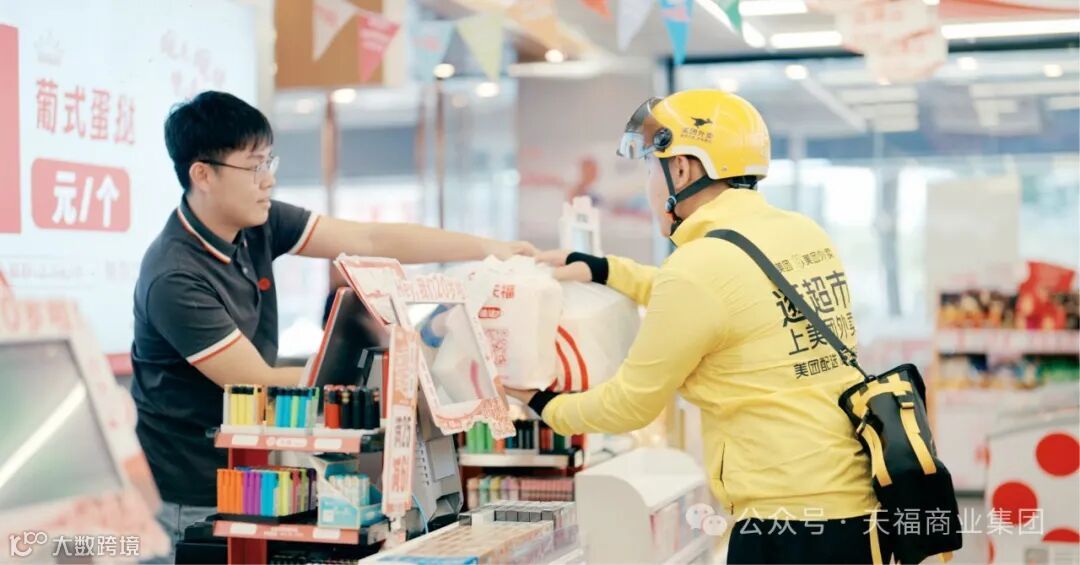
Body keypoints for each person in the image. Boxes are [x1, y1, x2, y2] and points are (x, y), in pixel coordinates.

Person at [131, 91, 535, 561]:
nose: (269, 179)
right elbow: (255, 381)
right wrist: (385, 384)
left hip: (256, 473)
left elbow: (370, 238)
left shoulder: (257, 224)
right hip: (192, 488)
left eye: (269, 162)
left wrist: (492, 249)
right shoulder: (174, 275)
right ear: (203, 174)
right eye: (254, 166)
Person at [509, 89, 890, 564]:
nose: (650, 183)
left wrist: (540, 402)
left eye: (651, 167)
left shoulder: (698, 267)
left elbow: (629, 404)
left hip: (786, 523)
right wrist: (605, 269)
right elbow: (727, 302)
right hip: (856, 506)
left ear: (683, 169)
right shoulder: (802, 231)